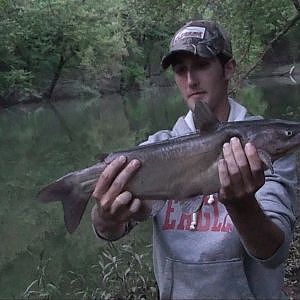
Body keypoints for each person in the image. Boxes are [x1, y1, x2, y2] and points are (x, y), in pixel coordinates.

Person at [91, 20, 296, 299]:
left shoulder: (268, 148)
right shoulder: (155, 148)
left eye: (201, 65)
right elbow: (111, 229)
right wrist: (105, 218)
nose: (190, 80)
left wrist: (242, 205)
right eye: (180, 70)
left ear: (228, 68)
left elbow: (274, 252)